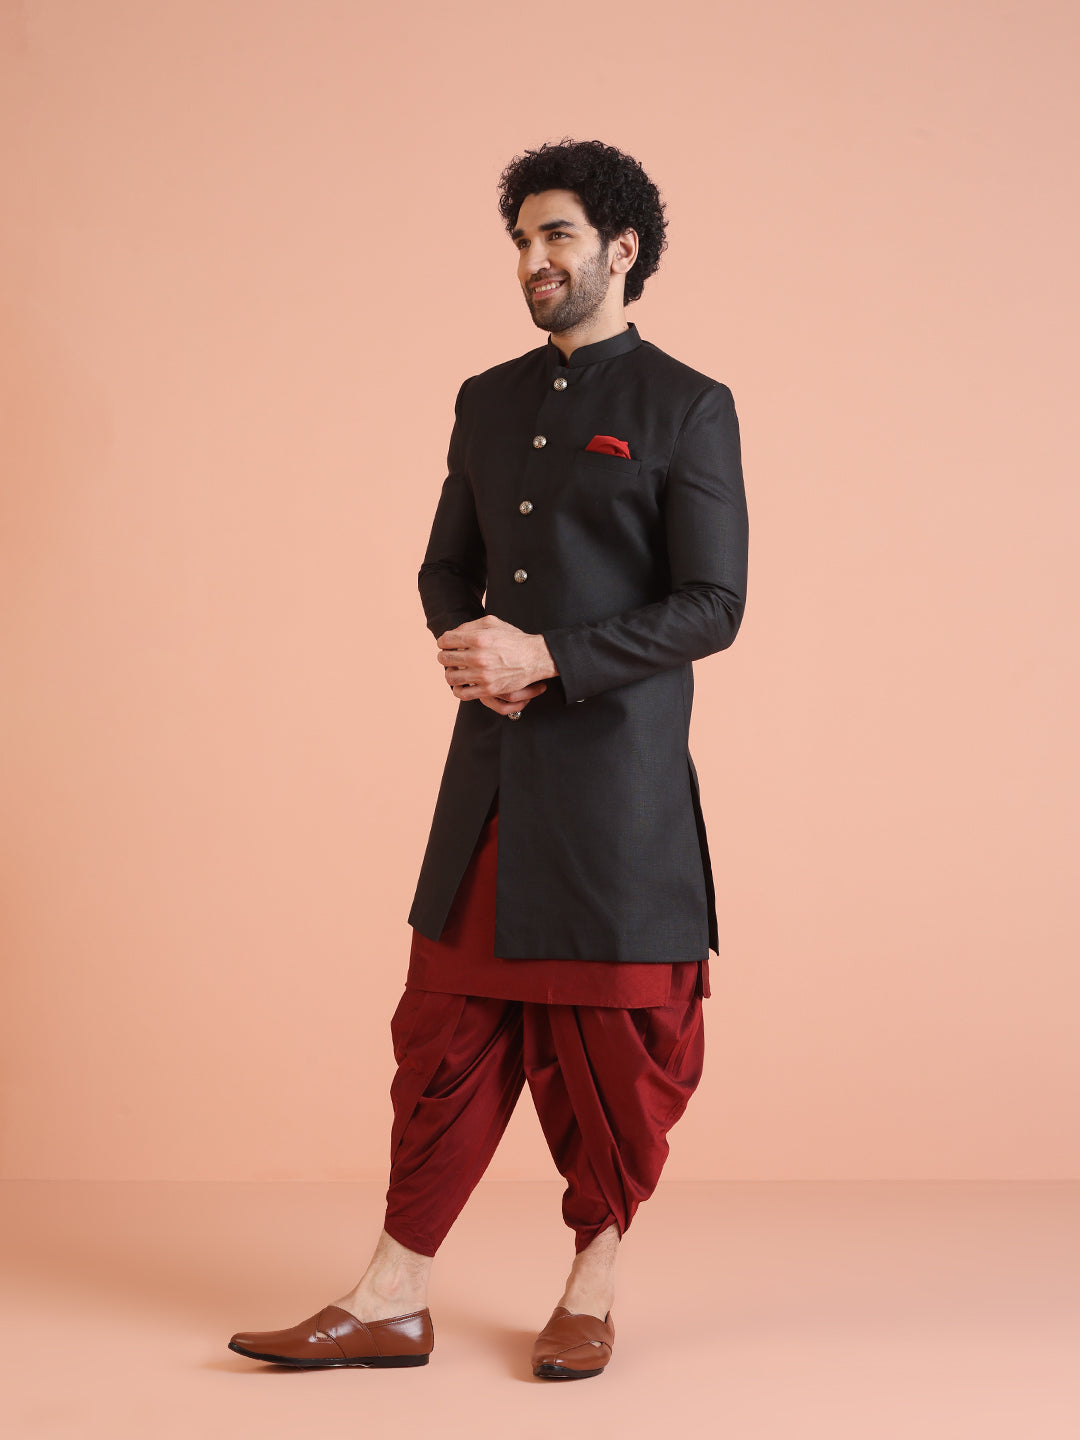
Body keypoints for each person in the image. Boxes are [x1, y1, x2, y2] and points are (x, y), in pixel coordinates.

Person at [228, 137, 749, 1380]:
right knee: (443, 1032)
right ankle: (391, 1296)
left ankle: (593, 1285)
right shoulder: (488, 398)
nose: (534, 259)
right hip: (497, 773)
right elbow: (444, 565)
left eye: (558, 235)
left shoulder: (686, 404)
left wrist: (550, 657)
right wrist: (468, 645)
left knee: (618, 1049)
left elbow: (713, 604)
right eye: (522, 239)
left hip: (617, 790)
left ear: (622, 249)